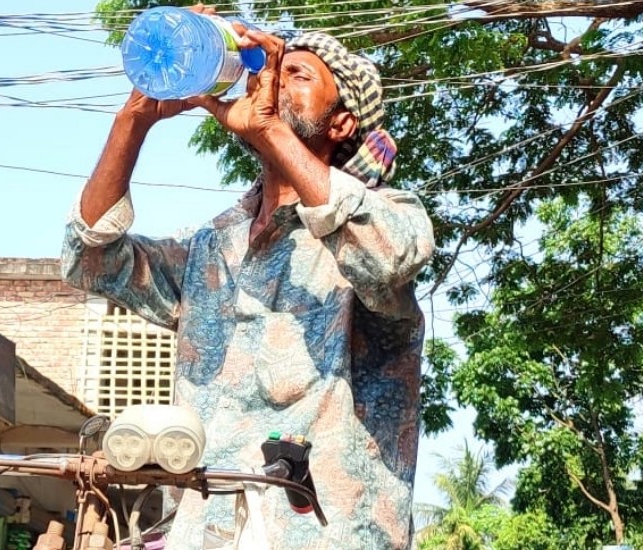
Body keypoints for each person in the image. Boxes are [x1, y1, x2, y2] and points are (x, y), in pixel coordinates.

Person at [61, 11, 434, 549]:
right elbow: (92, 258)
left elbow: (387, 258)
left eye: (298, 75)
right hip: (201, 533)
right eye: (271, 72)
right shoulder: (213, 246)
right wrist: (135, 117)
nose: (274, 82)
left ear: (342, 123)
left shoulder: (385, 215)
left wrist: (269, 128)